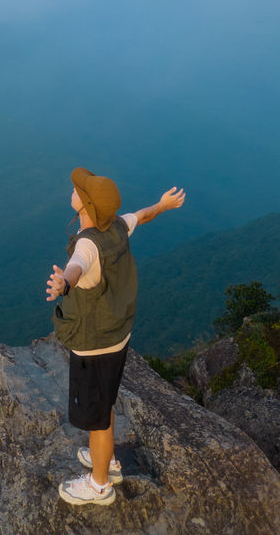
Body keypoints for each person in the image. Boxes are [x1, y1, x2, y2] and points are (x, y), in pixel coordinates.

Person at [46, 167, 185, 507]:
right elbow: (142, 215)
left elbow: (78, 265)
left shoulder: (88, 245)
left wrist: (65, 282)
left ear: (86, 206)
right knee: (104, 402)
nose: (74, 188)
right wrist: (163, 205)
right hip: (118, 337)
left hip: (95, 346)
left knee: (97, 417)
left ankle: (99, 483)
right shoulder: (119, 225)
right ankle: (103, 456)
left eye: (79, 189)